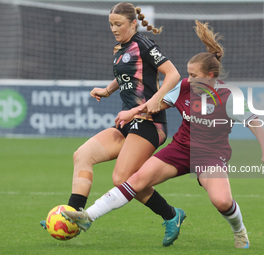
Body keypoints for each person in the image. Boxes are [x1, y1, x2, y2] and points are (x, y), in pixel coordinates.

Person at [62, 20, 264, 249]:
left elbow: (255, 123)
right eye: (189, 74)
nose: (189, 79)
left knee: (222, 200)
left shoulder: (228, 96)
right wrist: (132, 112)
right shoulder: (185, 86)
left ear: (211, 76)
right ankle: (88, 217)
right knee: (135, 180)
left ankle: (239, 231)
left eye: (195, 75)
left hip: (211, 156)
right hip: (181, 149)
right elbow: (155, 104)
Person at [40, 2, 184, 246]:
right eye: (111, 25)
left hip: (149, 123)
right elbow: (127, 75)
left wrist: (154, 101)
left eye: (118, 24)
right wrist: (107, 90)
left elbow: (174, 74)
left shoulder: (144, 44)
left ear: (133, 23)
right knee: (82, 155)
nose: (114, 29)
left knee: (123, 179)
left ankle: (172, 215)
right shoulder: (121, 48)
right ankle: (72, 214)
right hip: (127, 122)